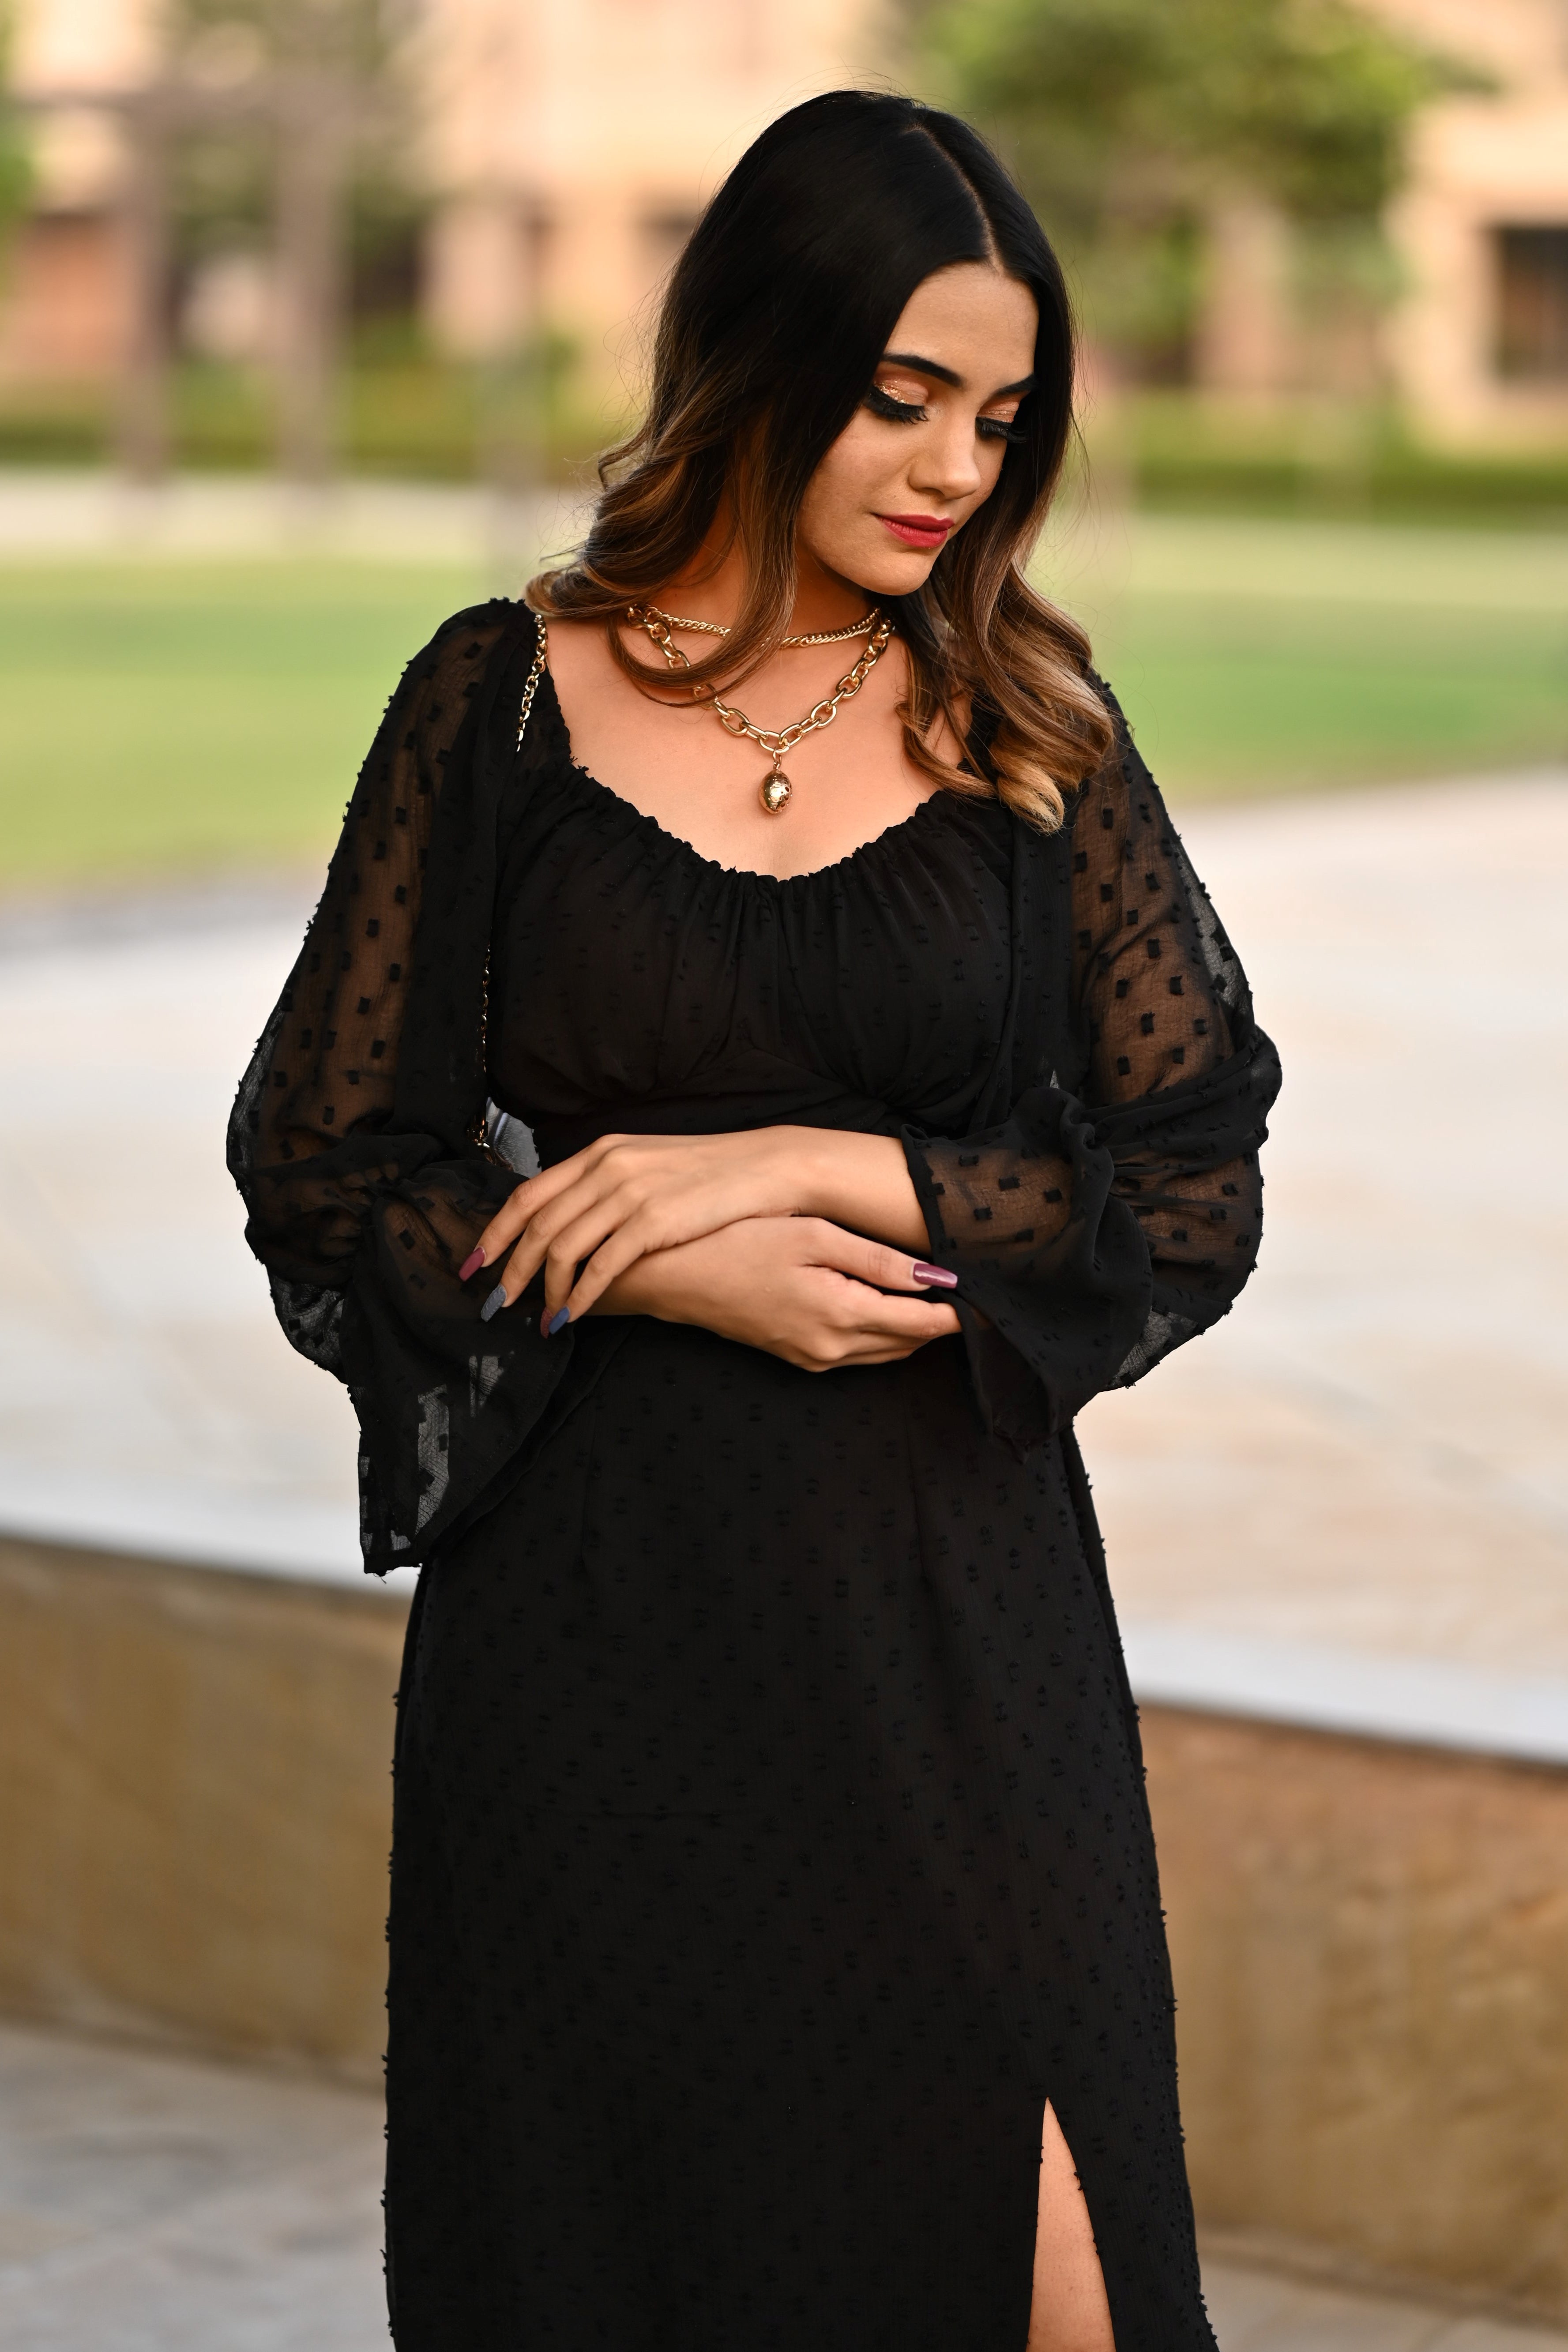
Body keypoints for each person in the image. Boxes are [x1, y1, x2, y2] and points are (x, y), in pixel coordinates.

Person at [231, 88, 1278, 2352]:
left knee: (1067, 2290)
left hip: (952, 1640)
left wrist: (818, 1169)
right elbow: (326, 1158)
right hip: (597, 1643)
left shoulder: (1030, 727)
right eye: (902, 396)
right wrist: (655, 1261)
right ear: (764, 352)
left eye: (999, 415)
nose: (954, 466)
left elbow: (1191, 1173)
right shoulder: (502, 702)